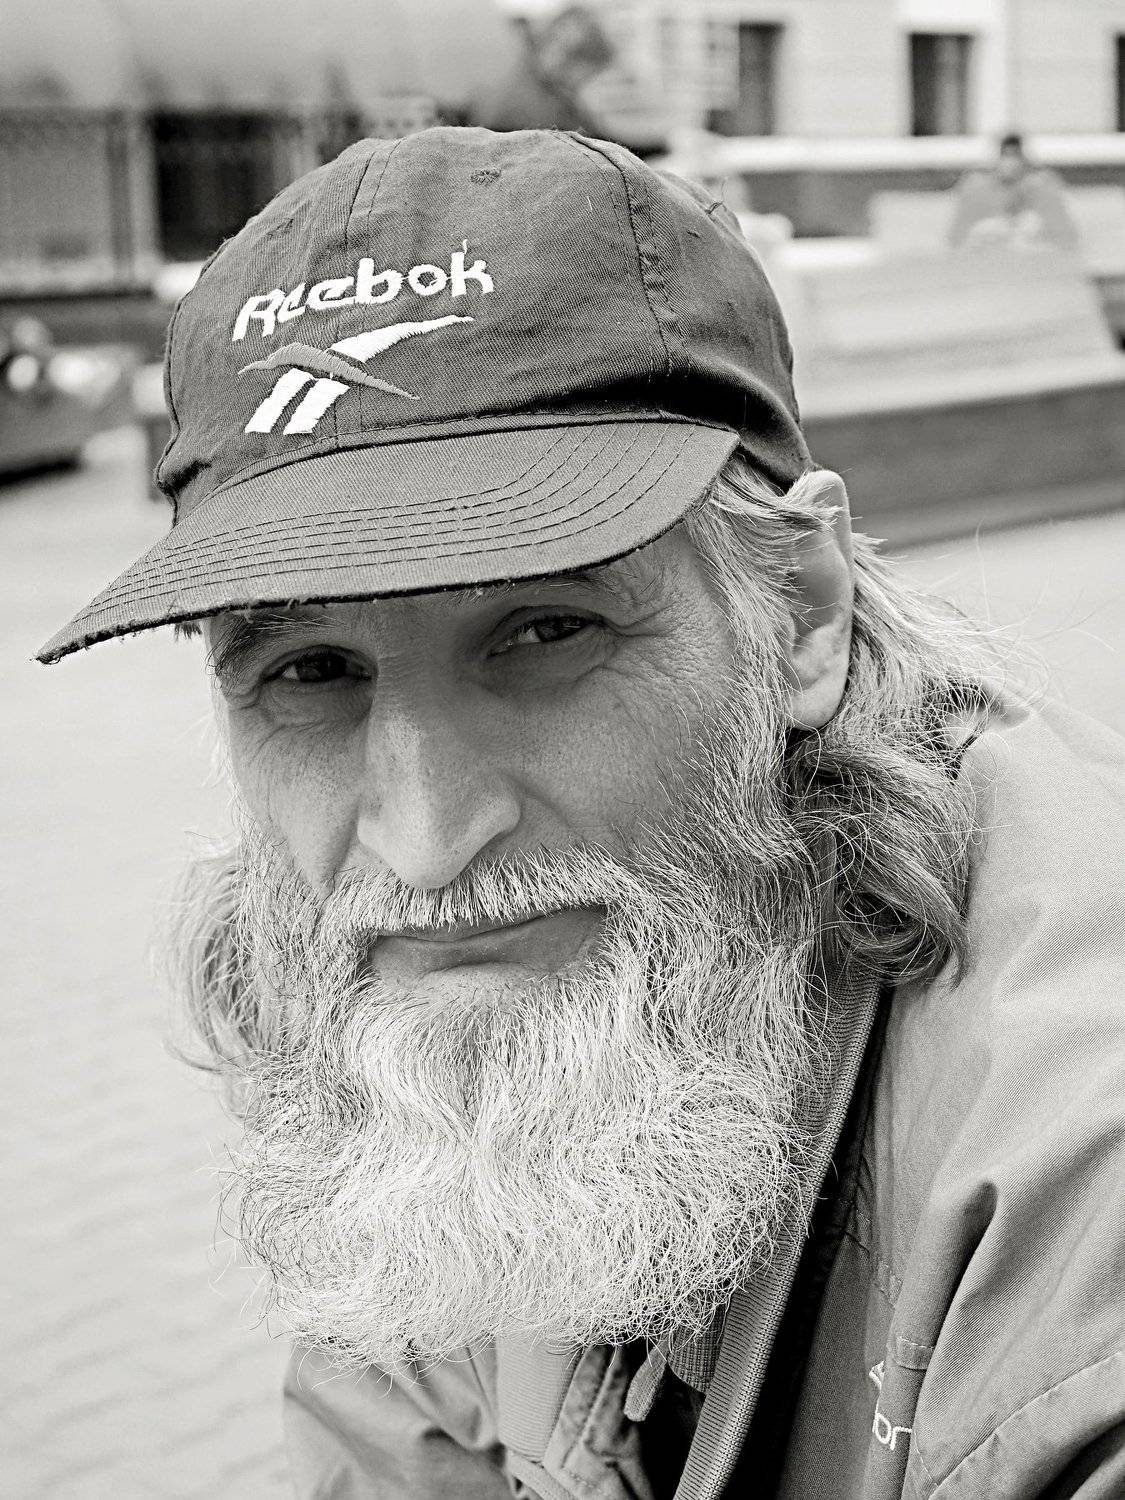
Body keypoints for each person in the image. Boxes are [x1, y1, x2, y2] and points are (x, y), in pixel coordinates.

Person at [38, 128, 1125, 1499]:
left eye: (546, 631)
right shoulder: (423, 1018)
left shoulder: (1078, 1194)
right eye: (311, 670)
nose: (424, 840)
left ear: (799, 614)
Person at [949, 131, 1079, 252]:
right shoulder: (978, 184)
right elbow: (957, 239)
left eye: (1015, 155)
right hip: (991, 251)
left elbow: (1066, 238)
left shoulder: (1040, 182)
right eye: (1006, 155)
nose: (1010, 162)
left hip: (1032, 251)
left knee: (1029, 224)